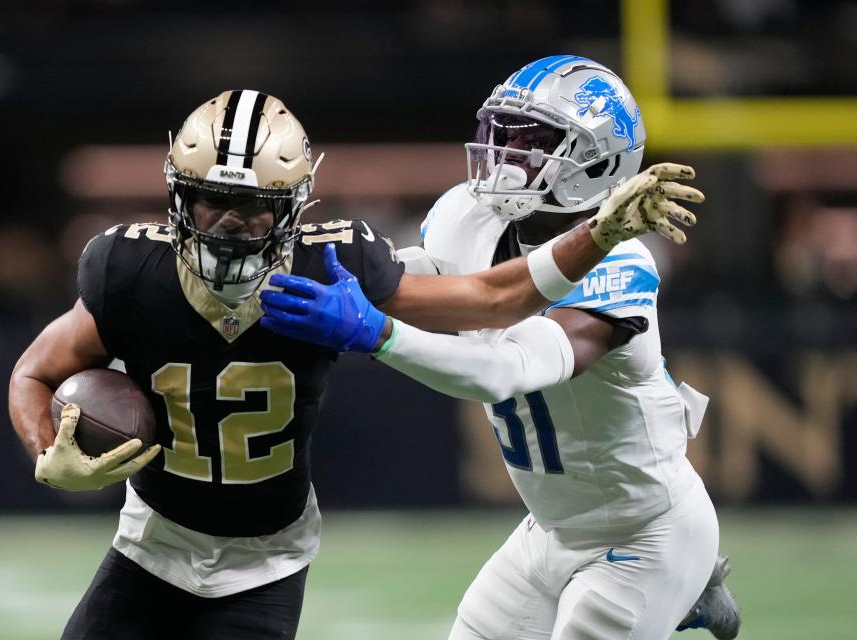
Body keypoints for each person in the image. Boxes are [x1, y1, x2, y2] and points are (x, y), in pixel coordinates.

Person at [8, 89, 696, 640]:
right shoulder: (129, 267)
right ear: (177, 196)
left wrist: (599, 234)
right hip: (151, 538)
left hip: (265, 557)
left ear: (295, 207)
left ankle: (687, 581)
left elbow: (492, 307)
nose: (226, 225)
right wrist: (47, 447)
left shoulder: (330, 265)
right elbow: (34, 371)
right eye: (211, 200)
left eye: (253, 210)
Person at [258, 56, 741, 639]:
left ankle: (684, 584)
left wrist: (377, 334)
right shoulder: (470, 214)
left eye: (532, 141)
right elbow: (418, 287)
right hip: (553, 528)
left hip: (644, 533)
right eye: (503, 134)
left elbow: (504, 369)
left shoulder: (622, 264)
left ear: (598, 161)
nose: (506, 156)